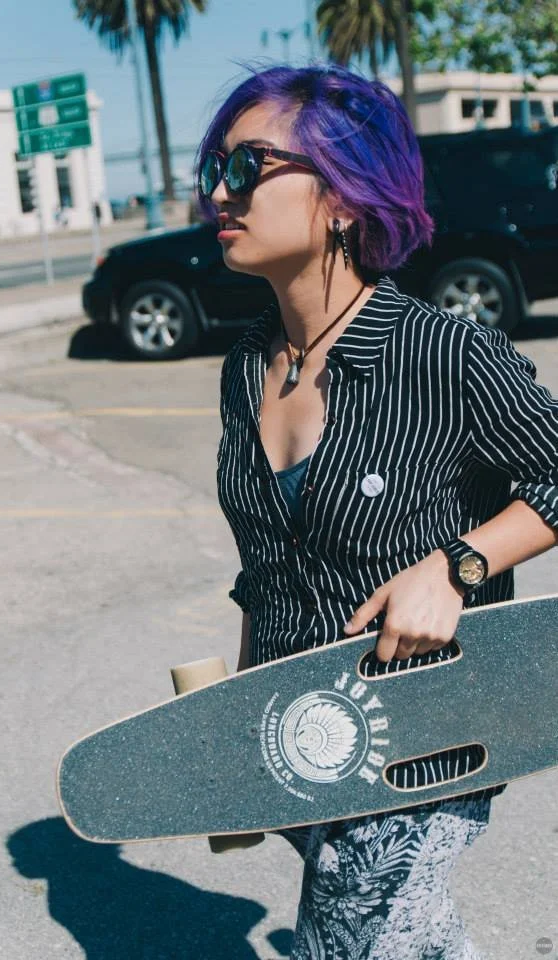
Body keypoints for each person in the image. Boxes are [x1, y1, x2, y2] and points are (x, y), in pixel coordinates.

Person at [194, 64, 558, 959]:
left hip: (422, 736)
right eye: (213, 168)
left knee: (349, 938)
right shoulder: (247, 366)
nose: (217, 193)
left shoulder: (445, 353)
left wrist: (458, 565)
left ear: (344, 196)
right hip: (306, 737)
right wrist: (239, 720)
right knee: (402, 939)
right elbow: (267, 566)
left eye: (247, 167)